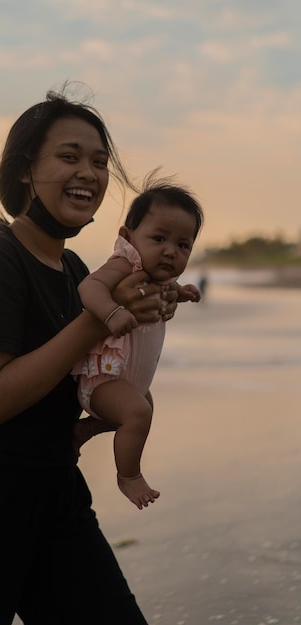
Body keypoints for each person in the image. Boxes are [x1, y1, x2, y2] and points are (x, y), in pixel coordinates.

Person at [0, 87, 181, 625]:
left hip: (55, 494)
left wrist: (144, 329)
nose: (90, 173)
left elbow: (84, 380)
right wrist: (96, 318)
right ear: (26, 169)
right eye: (69, 156)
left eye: (100, 162)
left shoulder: (78, 272)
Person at [72, 177, 204, 510]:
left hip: (129, 381)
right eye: (159, 238)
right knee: (137, 413)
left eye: (183, 245)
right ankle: (128, 476)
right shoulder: (124, 264)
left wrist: (183, 292)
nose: (170, 251)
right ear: (128, 237)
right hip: (103, 381)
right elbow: (89, 288)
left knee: (145, 407)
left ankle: (85, 431)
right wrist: (111, 311)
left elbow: (168, 293)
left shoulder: (161, 275)